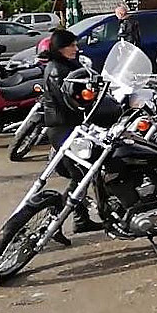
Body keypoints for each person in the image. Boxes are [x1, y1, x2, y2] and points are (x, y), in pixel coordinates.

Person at [41, 29, 100, 234]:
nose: (76, 48)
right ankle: (53, 222)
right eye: (71, 45)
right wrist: (88, 102)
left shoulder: (67, 65)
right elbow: (70, 101)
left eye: (76, 44)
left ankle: (81, 219)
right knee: (80, 176)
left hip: (71, 126)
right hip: (63, 128)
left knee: (82, 175)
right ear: (60, 48)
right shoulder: (57, 70)